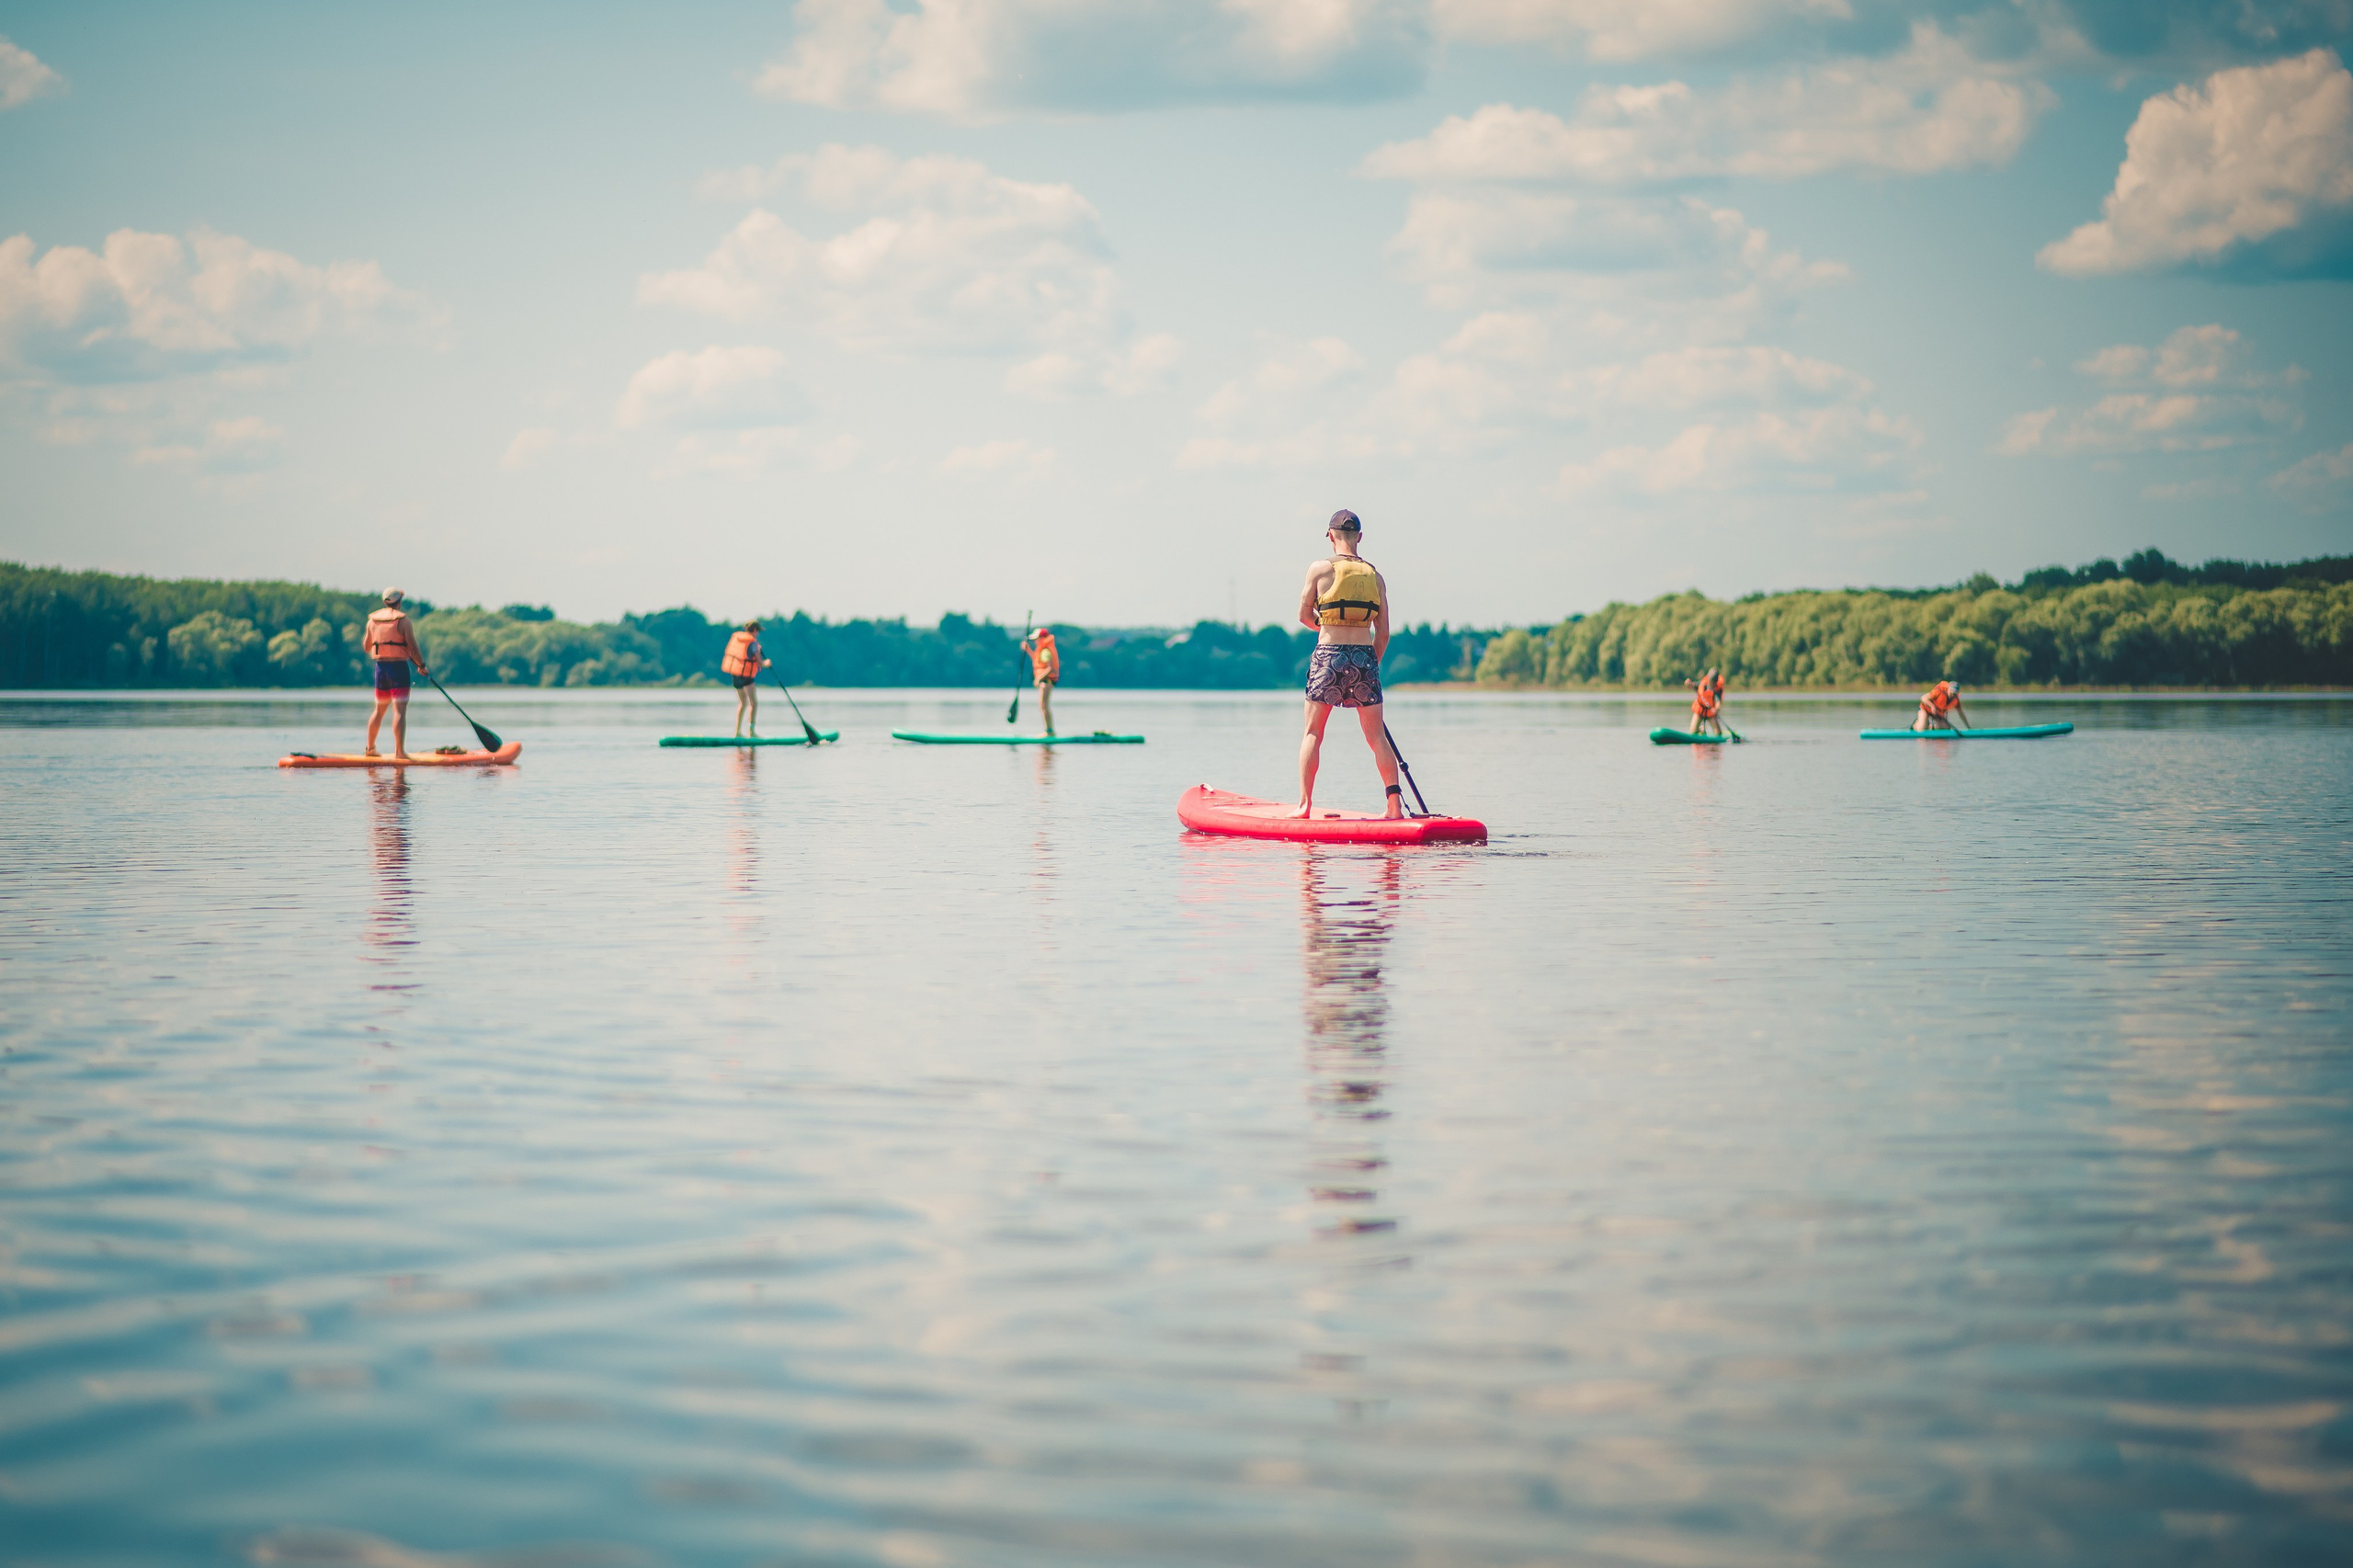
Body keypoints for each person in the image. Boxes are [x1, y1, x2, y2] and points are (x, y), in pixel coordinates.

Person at [1294, 508, 1402, 819]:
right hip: (1364, 657)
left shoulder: (1319, 569)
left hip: (1328, 654)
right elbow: (1384, 632)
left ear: (1330, 536)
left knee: (1313, 733)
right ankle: (1393, 807)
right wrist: (1371, 665)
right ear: (1360, 538)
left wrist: (1326, 625)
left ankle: (1304, 806)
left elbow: (1302, 616)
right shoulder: (1376, 577)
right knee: (1376, 736)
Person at [362, 588, 428, 758]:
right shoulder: (403, 621)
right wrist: (421, 665)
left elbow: (366, 647)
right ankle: (400, 752)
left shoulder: (372, 622)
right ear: (399, 602)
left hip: (381, 669)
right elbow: (412, 647)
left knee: (379, 710)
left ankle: (370, 749)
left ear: (385, 602)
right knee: (399, 711)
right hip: (398, 669)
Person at [722, 621, 772, 737]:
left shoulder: (737, 639)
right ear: (754, 630)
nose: (758, 633)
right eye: (758, 631)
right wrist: (767, 663)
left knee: (742, 703)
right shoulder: (753, 643)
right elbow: (760, 662)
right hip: (746, 676)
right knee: (753, 703)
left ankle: (737, 732)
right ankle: (751, 732)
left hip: (735, 674)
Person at [1021, 624, 1061, 735]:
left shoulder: (1046, 651)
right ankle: (1048, 730)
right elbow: (1037, 661)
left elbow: (1050, 668)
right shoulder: (1042, 651)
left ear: (1042, 639)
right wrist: (1028, 650)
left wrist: (1038, 678)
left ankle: (1049, 731)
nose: (1035, 641)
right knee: (1042, 705)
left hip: (1046, 681)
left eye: (1036, 639)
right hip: (1045, 681)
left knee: (1044, 705)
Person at [1685, 666, 1727, 736]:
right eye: (1711, 681)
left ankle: (1716, 738)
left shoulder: (1717, 690)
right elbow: (1691, 685)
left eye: (1714, 682)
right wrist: (1688, 683)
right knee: (1693, 732)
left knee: (1718, 733)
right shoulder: (1703, 684)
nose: (1712, 684)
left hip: (1710, 712)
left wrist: (1716, 709)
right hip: (1700, 710)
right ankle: (1700, 731)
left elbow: (1718, 702)